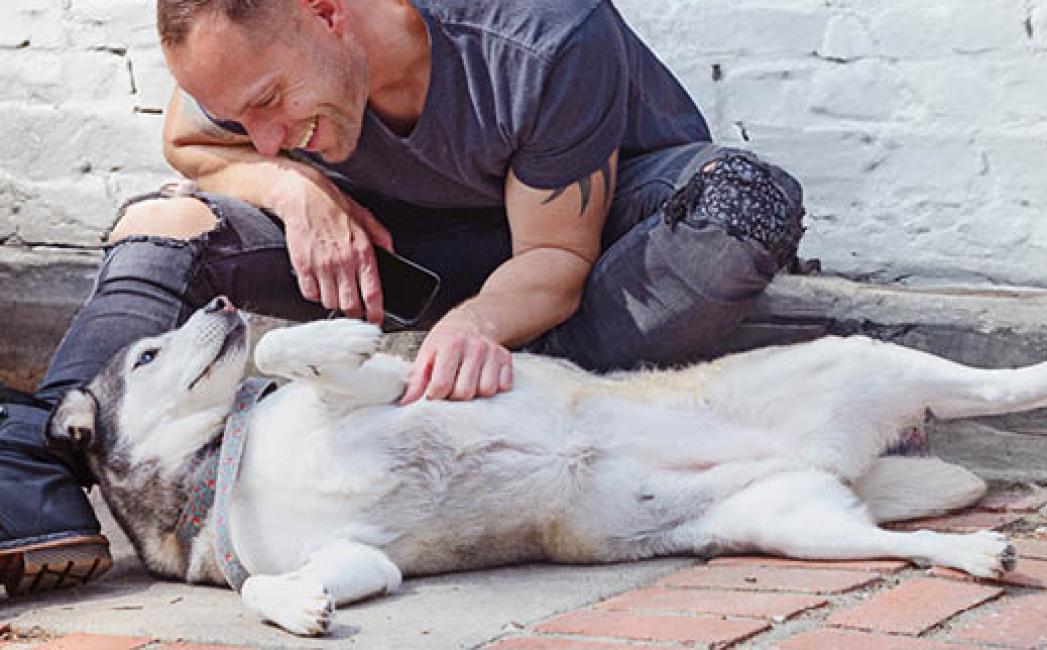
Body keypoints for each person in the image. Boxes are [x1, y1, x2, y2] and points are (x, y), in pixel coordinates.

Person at [0, 0, 805, 593]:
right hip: (391, 267)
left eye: (272, 102)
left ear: (327, 13)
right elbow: (188, 141)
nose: (264, 131)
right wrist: (291, 188)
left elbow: (553, 257)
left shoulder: (544, 34)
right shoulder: (243, 44)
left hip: (582, 254)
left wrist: (478, 322)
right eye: (247, 114)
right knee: (160, 218)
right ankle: (27, 473)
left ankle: (506, 398)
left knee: (745, 201)